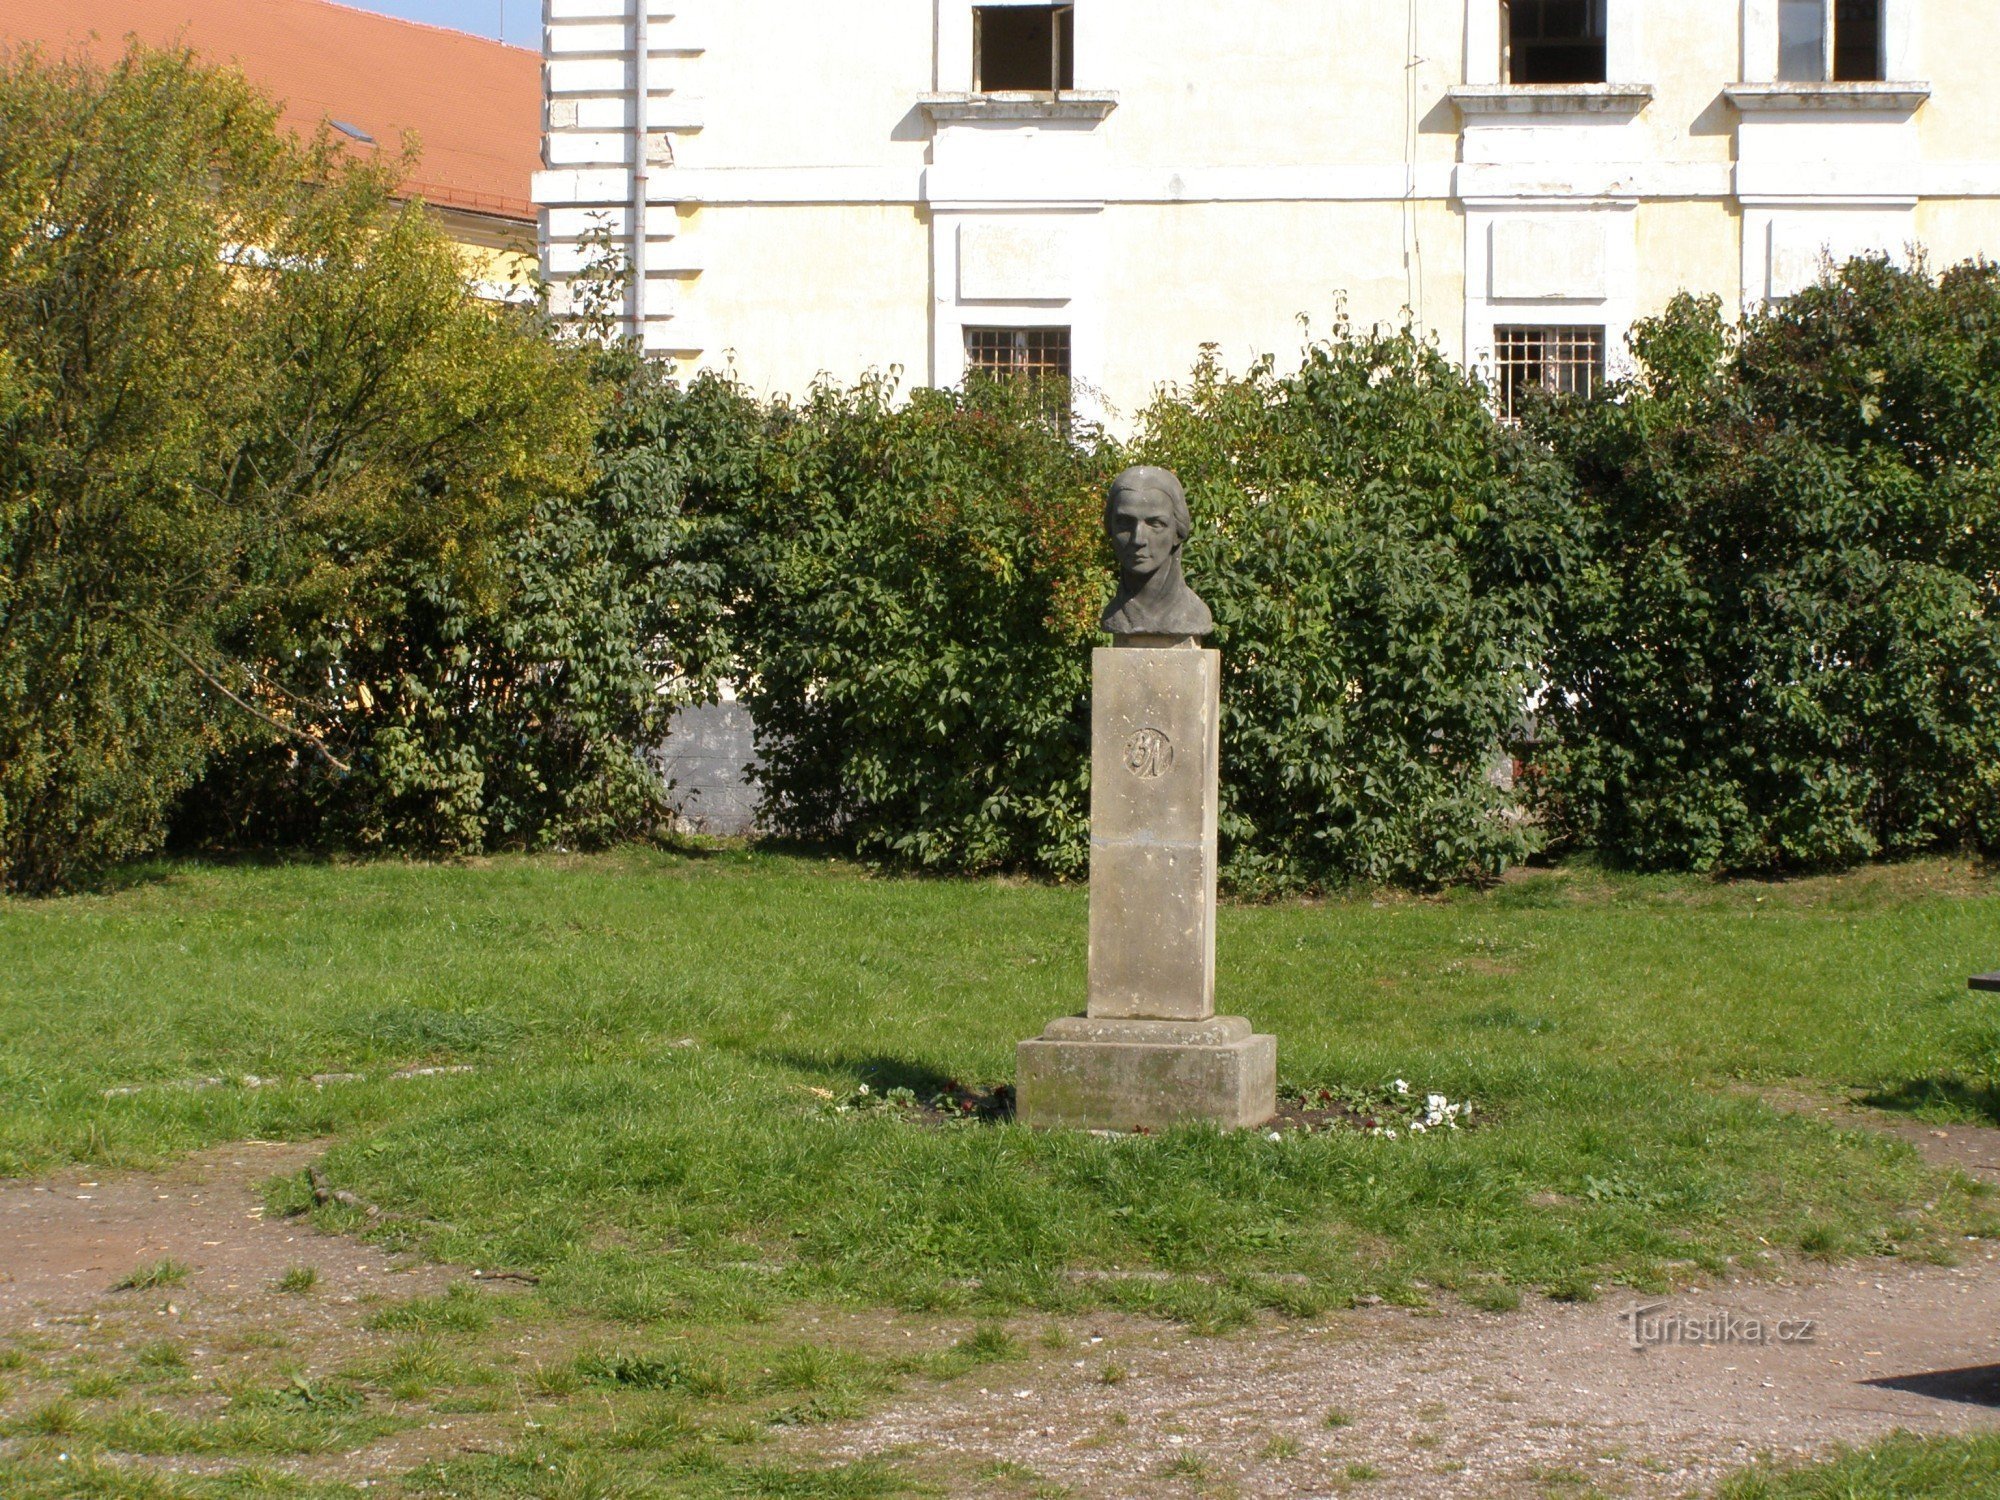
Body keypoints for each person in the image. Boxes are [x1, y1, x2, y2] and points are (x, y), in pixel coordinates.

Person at [1099, 465, 1214, 638]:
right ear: (1110, 528)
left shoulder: (1193, 615)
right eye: (1124, 523)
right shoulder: (1114, 615)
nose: (1138, 539)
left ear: (1178, 532)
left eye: (1155, 524)